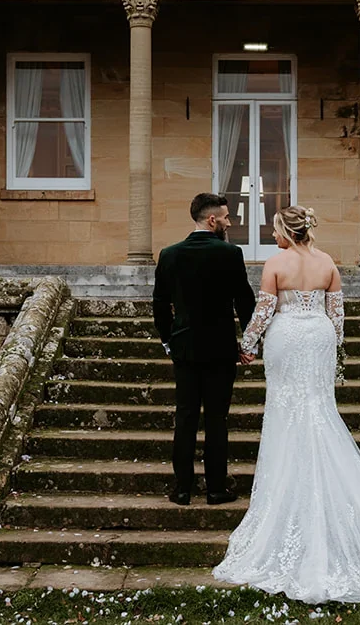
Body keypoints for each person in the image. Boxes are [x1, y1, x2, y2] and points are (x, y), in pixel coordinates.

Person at [213, 204, 360, 603]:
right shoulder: (328, 263)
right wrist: (332, 350)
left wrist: (246, 344)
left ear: (287, 232)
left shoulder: (275, 263)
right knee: (318, 410)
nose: (273, 237)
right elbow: (337, 317)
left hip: (288, 338)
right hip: (319, 338)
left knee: (289, 414)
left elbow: (264, 311)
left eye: (275, 230)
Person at [152, 192, 257, 506]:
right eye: (225, 217)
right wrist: (249, 341)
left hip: (184, 347)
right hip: (220, 349)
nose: (228, 222)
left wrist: (169, 340)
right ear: (212, 220)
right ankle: (215, 489)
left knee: (184, 417)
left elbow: (159, 305)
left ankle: (182, 489)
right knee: (216, 420)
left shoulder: (169, 254)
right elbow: (245, 302)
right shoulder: (230, 254)